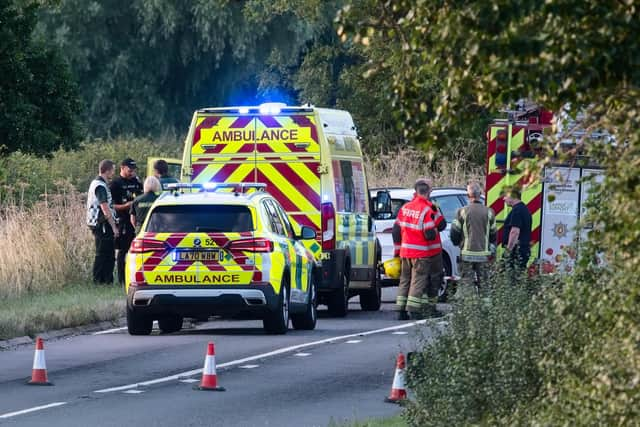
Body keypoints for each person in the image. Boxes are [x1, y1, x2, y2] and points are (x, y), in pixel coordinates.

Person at [392, 178, 447, 320]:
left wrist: (397, 250)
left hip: (405, 252)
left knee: (405, 280)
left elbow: (396, 229)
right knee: (419, 280)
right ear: (428, 192)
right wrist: (434, 228)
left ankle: (400, 310)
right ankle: (414, 309)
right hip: (421, 252)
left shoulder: (405, 208)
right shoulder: (428, 209)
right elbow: (431, 232)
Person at [450, 181, 497, 295]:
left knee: (466, 284)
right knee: (485, 284)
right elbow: (493, 235)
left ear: (468, 196)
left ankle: (469, 308)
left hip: (466, 255)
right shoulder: (489, 212)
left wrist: (458, 243)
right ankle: (486, 307)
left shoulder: (461, 212)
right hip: (484, 255)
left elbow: (454, 233)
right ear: (480, 194)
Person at [110, 158, 143, 285]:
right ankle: (121, 280)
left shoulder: (137, 181)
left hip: (137, 221)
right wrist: (127, 206)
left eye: (134, 170)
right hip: (123, 221)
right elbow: (111, 205)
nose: (132, 172)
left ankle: (134, 278)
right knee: (123, 251)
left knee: (135, 251)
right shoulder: (115, 184)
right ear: (122, 168)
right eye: (130, 170)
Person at [86, 159, 119, 285]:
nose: (113, 173)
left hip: (98, 222)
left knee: (106, 252)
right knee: (104, 253)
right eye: (113, 170)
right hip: (102, 224)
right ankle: (100, 280)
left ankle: (104, 280)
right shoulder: (100, 186)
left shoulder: (96, 183)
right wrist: (113, 226)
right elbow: (105, 207)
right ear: (108, 170)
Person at [502, 187, 532, 270]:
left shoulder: (517, 210)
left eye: (505, 196)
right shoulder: (523, 209)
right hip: (523, 250)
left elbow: (514, 232)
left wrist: (508, 251)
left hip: (516, 252)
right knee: (518, 277)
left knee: (511, 277)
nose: (504, 199)